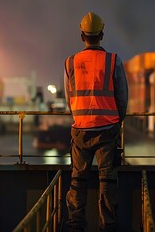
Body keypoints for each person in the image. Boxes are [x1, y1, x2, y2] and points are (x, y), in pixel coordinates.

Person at [64, 12, 128, 232]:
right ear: (102, 33)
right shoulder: (113, 60)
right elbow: (122, 97)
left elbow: (69, 98)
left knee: (78, 180)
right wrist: (118, 121)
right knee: (108, 182)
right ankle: (108, 226)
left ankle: (75, 225)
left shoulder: (70, 62)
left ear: (82, 34)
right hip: (107, 130)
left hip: (80, 130)